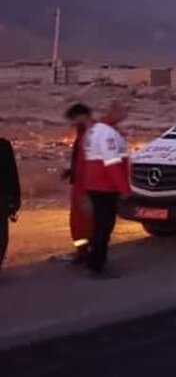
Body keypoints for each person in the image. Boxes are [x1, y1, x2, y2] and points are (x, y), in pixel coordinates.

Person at [82, 102, 131, 277]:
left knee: (98, 226)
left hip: (95, 186)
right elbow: (112, 164)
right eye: (122, 113)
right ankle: (97, 265)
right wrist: (124, 189)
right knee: (104, 228)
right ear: (113, 112)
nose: (124, 117)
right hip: (105, 188)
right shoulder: (107, 134)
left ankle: (92, 261)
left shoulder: (95, 130)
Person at [63, 103, 94, 264]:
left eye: (74, 119)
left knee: (88, 221)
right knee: (77, 222)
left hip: (88, 185)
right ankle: (82, 252)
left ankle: (92, 254)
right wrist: (71, 171)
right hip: (78, 184)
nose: (73, 123)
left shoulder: (93, 133)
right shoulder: (82, 133)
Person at [0, 135, 20, 269]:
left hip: (3, 196)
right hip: (3, 196)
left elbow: (12, 173)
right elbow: (13, 173)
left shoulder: (4, 145)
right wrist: (16, 199)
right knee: (1, 234)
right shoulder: (4, 145)